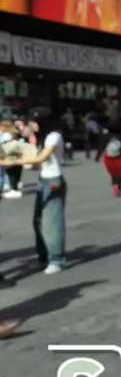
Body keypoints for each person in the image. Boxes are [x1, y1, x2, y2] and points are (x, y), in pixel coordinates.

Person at [0, 108, 69, 274]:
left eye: (34, 122)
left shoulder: (54, 136)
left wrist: (12, 162)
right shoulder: (41, 137)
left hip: (54, 181)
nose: (31, 125)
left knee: (51, 222)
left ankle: (57, 259)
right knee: (37, 222)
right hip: (43, 180)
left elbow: (42, 157)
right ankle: (43, 257)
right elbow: (37, 162)